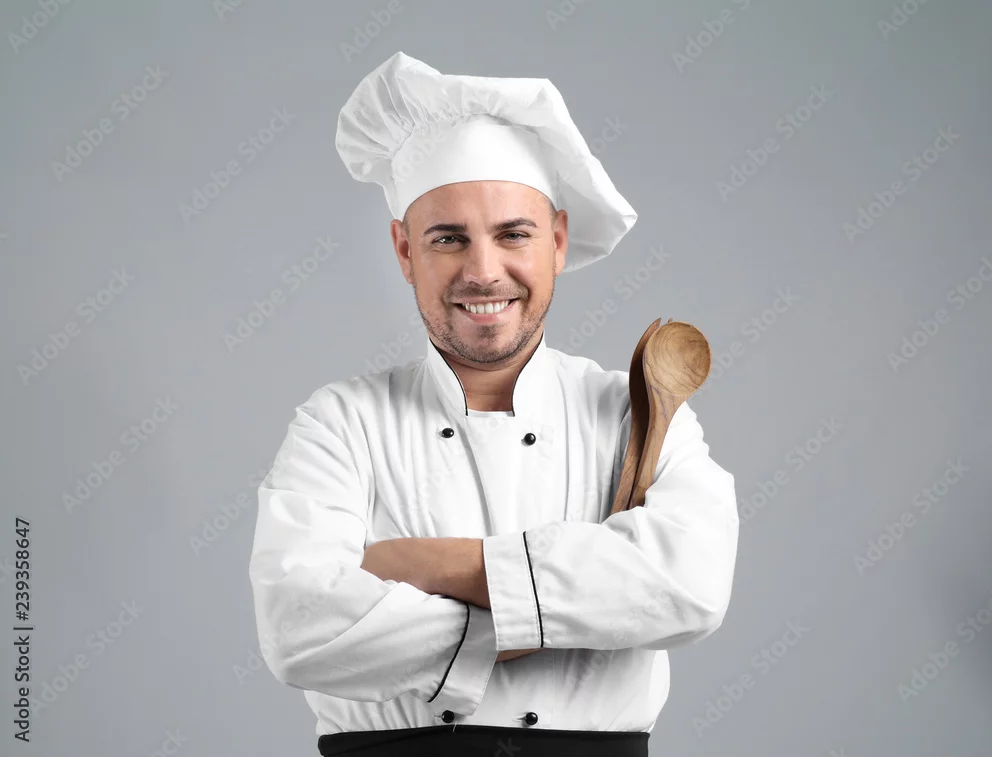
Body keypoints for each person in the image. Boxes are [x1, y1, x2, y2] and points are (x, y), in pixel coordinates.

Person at [248, 51, 739, 757]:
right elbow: (299, 627)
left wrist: (430, 564)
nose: (483, 272)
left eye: (514, 234)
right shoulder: (340, 423)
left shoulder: (637, 412)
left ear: (557, 242)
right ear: (404, 251)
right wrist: (553, 608)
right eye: (448, 238)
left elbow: (690, 584)